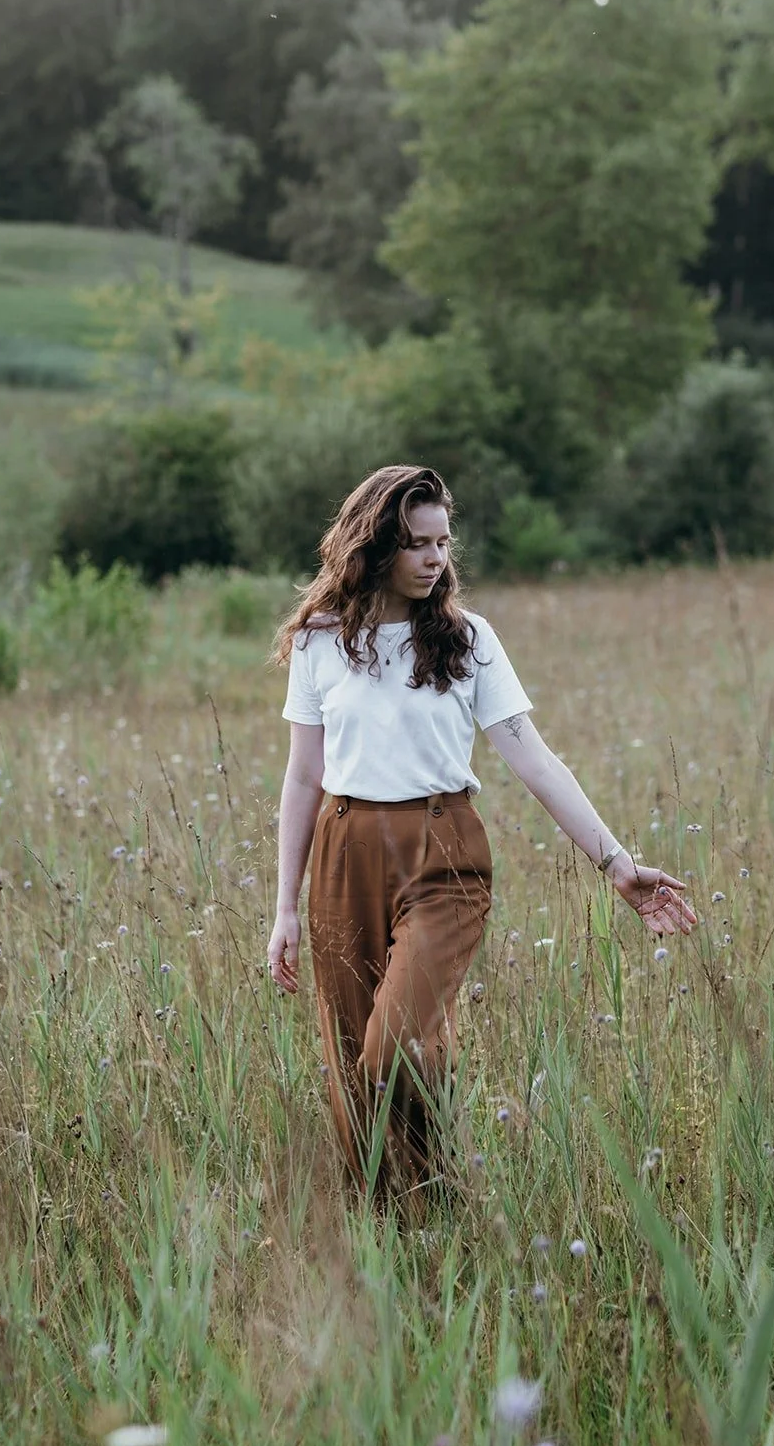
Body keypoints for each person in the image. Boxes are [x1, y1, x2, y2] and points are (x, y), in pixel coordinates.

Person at [267, 465, 695, 1206]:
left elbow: (531, 755)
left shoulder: (467, 639)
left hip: (443, 856)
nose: (436, 558)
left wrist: (616, 862)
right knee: (350, 1058)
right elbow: (303, 778)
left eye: (443, 541)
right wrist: (284, 909)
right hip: (344, 850)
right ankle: (392, 1224)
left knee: (390, 1047)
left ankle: (434, 1196)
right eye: (417, 544)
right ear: (373, 547)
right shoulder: (319, 641)